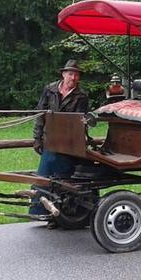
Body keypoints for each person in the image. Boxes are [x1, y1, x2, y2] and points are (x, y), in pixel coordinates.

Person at [30, 59, 89, 219]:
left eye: (77, 75)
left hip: (69, 144)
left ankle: (61, 216)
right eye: (71, 74)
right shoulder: (50, 90)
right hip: (50, 140)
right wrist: (37, 138)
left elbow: (80, 123)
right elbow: (40, 115)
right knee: (44, 175)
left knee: (62, 179)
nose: (74, 78)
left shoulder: (81, 96)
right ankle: (40, 213)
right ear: (63, 74)